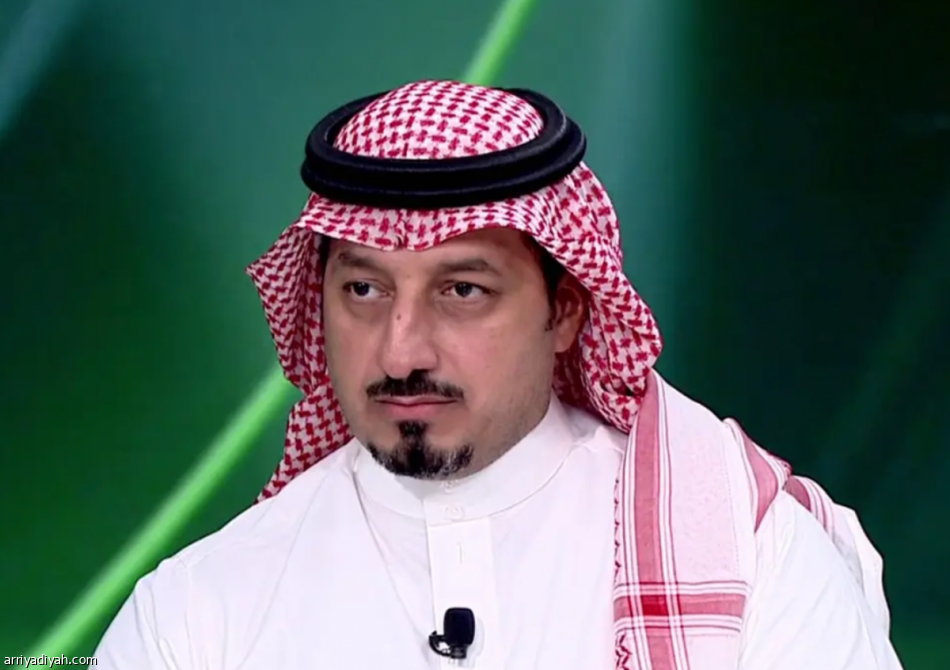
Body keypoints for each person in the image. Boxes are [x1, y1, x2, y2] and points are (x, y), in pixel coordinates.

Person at [92, 80, 904, 670]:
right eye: (364, 290)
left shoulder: (749, 556)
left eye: (462, 291)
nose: (402, 353)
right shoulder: (197, 611)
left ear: (566, 311)